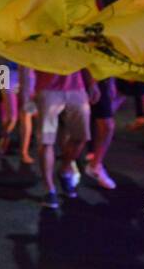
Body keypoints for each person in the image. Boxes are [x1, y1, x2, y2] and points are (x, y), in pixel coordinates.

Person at [35, 68, 100, 209]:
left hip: (76, 87)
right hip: (47, 87)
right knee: (47, 141)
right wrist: (28, 87)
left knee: (81, 136)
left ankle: (65, 169)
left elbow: (85, 55)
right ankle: (49, 189)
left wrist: (92, 83)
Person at [84, 77, 118, 190]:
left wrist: (111, 81)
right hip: (75, 77)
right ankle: (68, 167)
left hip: (99, 79)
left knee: (107, 125)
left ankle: (95, 164)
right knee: (74, 123)